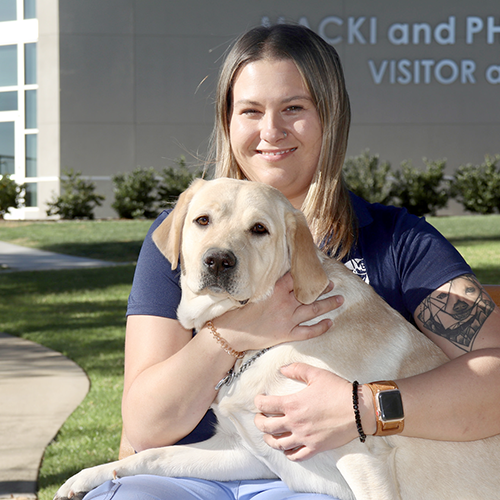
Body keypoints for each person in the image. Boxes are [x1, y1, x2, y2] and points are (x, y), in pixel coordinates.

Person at [85, 24, 500, 500]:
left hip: (316, 483)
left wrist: (363, 406)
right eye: (250, 111)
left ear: (332, 118)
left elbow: (495, 375)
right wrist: (238, 332)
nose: (271, 131)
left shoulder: (398, 241)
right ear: (227, 121)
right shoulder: (190, 235)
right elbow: (145, 427)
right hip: (193, 473)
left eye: (294, 108)